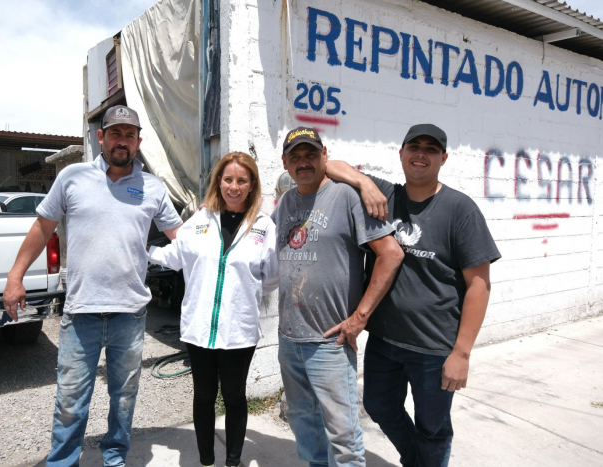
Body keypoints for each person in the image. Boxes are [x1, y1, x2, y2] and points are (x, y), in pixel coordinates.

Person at [3, 105, 182, 467]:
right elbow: (42, 228)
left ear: (139, 142)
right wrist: (15, 276)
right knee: (70, 401)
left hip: (129, 314)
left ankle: (114, 458)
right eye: (115, 133)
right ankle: (63, 462)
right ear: (101, 137)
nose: (122, 141)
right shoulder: (72, 177)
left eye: (129, 135)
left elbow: (182, 240)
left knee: (124, 399)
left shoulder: (152, 187)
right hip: (81, 312)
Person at [326, 123, 501, 467]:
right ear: (401, 153)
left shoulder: (460, 209)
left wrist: (461, 353)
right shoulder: (386, 195)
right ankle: (417, 460)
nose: (421, 154)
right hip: (385, 341)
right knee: (379, 407)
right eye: (414, 147)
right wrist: (364, 183)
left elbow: (479, 285)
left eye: (431, 149)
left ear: (443, 158)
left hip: (434, 347)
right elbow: (330, 165)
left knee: (433, 428)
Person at [272, 127, 404, 467]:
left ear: (325, 156)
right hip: (289, 339)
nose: (304, 162)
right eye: (296, 157)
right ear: (285, 162)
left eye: (311, 155)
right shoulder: (285, 202)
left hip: (329, 342)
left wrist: (360, 318)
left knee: (343, 437)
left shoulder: (346, 197)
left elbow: (391, 254)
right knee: (304, 423)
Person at [148, 151, 278, 467]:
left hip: (239, 332)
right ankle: (206, 461)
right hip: (199, 329)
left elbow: (271, 277)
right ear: (219, 181)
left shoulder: (263, 226)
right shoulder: (200, 220)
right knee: (204, 397)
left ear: (252, 185)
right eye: (228, 179)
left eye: (242, 180)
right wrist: (141, 248)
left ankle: (232, 462)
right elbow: (174, 257)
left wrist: (242, 294)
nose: (234, 186)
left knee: (234, 398)